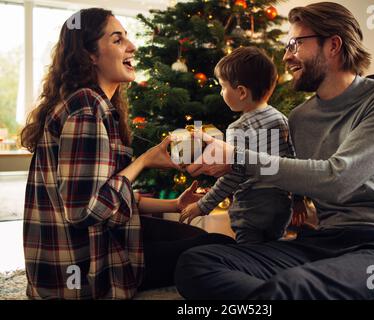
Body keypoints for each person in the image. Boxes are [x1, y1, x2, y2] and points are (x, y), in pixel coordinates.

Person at [174, 2, 374, 299]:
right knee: (198, 262)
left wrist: (238, 156)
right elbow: (283, 172)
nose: (286, 56)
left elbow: (337, 179)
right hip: (326, 242)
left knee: (297, 287)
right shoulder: (300, 119)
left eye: (295, 44)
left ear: (333, 45)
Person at [20, 8, 234, 300]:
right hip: (89, 270)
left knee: (206, 242)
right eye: (117, 39)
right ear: (90, 55)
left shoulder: (94, 104)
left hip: (91, 251)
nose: (132, 46)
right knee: (220, 248)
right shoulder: (87, 108)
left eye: (127, 38)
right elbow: (86, 210)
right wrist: (143, 161)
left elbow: (109, 195)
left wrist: (174, 205)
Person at [179, 47, 295, 244]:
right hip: (282, 205)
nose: (221, 92)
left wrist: (202, 206)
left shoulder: (238, 127)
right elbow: (291, 161)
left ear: (241, 92)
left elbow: (234, 175)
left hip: (252, 208)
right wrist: (299, 200)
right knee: (272, 248)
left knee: (248, 254)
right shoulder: (280, 118)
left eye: (223, 87)